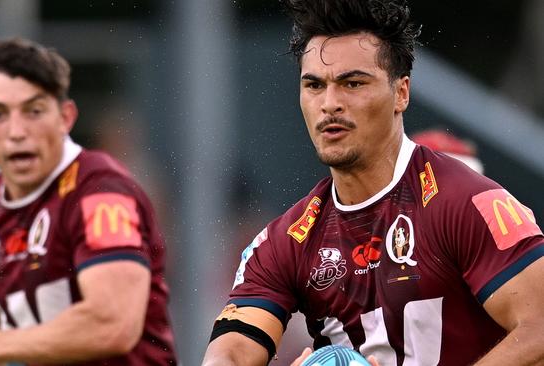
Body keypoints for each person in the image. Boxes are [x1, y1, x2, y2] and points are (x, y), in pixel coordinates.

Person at [201, 1, 544, 365]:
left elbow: (539, 330)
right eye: (315, 85)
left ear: (401, 93)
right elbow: (228, 356)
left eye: (352, 83)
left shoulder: (467, 203)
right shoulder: (283, 244)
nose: (330, 103)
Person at [0, 37, 177, 365]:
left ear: (65, 117)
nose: (16, 131)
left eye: (33, 111)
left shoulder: (100, 192)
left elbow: (114, 325)